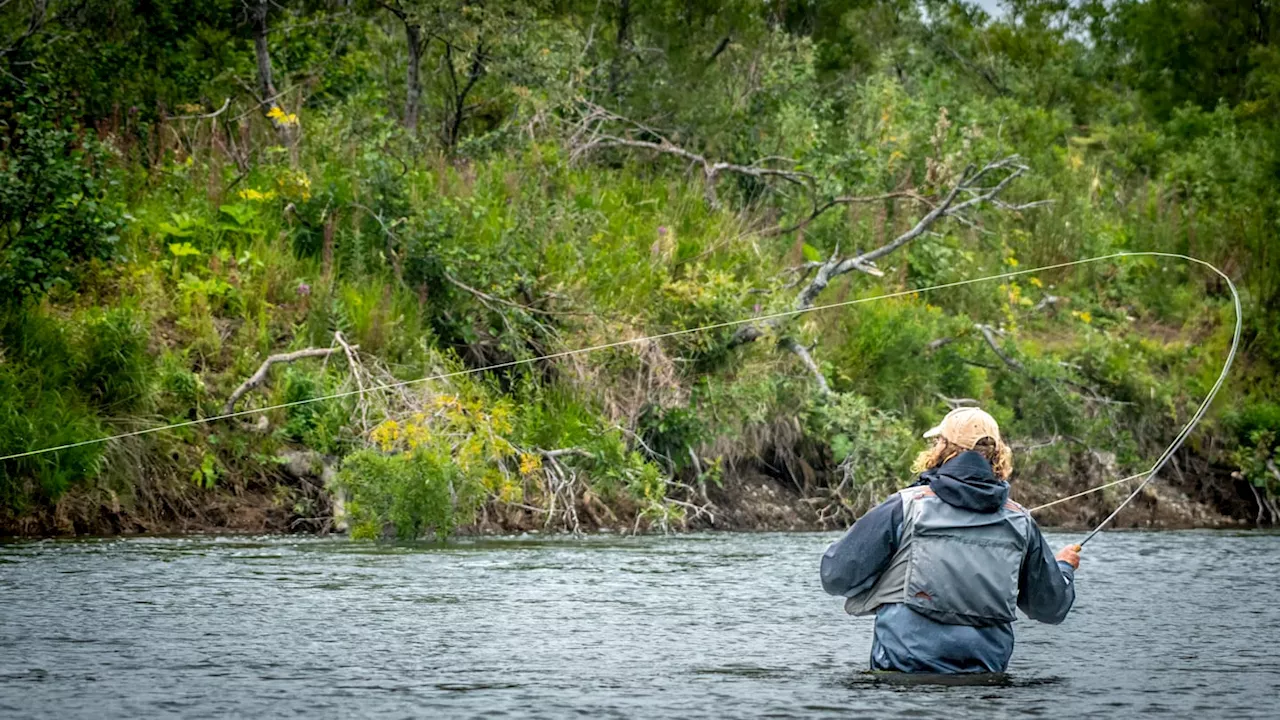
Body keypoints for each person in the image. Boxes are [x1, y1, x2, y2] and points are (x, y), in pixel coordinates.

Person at [819, 407, 1081, 674]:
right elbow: (1051, 608)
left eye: (938, 441)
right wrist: (1064, 568)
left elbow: (835, 575)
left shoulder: (905, 506)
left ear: (943, 448)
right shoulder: (1022, 522)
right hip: (987, 682)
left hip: (902, 680)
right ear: (997, 454)